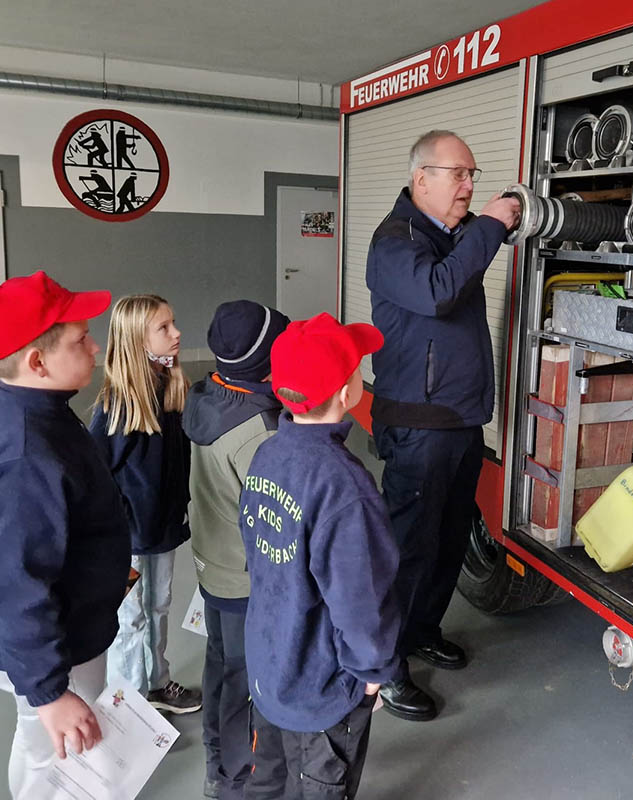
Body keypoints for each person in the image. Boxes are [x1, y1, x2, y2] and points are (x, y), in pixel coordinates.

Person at [365, 129, 521, 721]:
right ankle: (386, 667)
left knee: (448, 539)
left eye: (473, 173)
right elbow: (436, 294)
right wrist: (490, 225)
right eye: (457, 173)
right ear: (420, 178)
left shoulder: (446, 237)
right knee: (407, 550)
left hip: (457, 423)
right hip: (419, 427)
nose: (469, 185)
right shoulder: (395, 242)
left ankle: (422, 630)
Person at [0, 270, 129, 798]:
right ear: (37, 361)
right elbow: (15, 581)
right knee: (54, 759)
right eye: (81, 339)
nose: (96, 346)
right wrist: (50, 692)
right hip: (54, 648)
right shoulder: (26, 454)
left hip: (62, 624)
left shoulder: (35, 409)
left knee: (41, 746)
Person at [240, 313, 401, 800]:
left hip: (270, 666)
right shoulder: (345, 487)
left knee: (273, 778)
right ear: (348, 391)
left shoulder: (267, 455)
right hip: (323, 690)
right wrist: (372, 676)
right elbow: (361, 600)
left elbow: (259, 555)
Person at [183, 300, 289, 800]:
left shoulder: (207, 394)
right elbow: (276, 515)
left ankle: (214, 761)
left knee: (221, 663)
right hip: (248, 580)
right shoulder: (257, 434)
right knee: (247, 686)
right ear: (266, 362)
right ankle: (236, 780)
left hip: (213, 566)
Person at [88, 294, 202, 715]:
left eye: (174, 324)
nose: (176, 334)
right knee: (129, 620)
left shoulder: (171, 387)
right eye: (164, 328)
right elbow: (94, 475)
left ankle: (156, 684)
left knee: (159, 605)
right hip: (127, 540)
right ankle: (132, 710)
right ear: (137, 341)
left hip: (163, 529)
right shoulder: (117, 405)